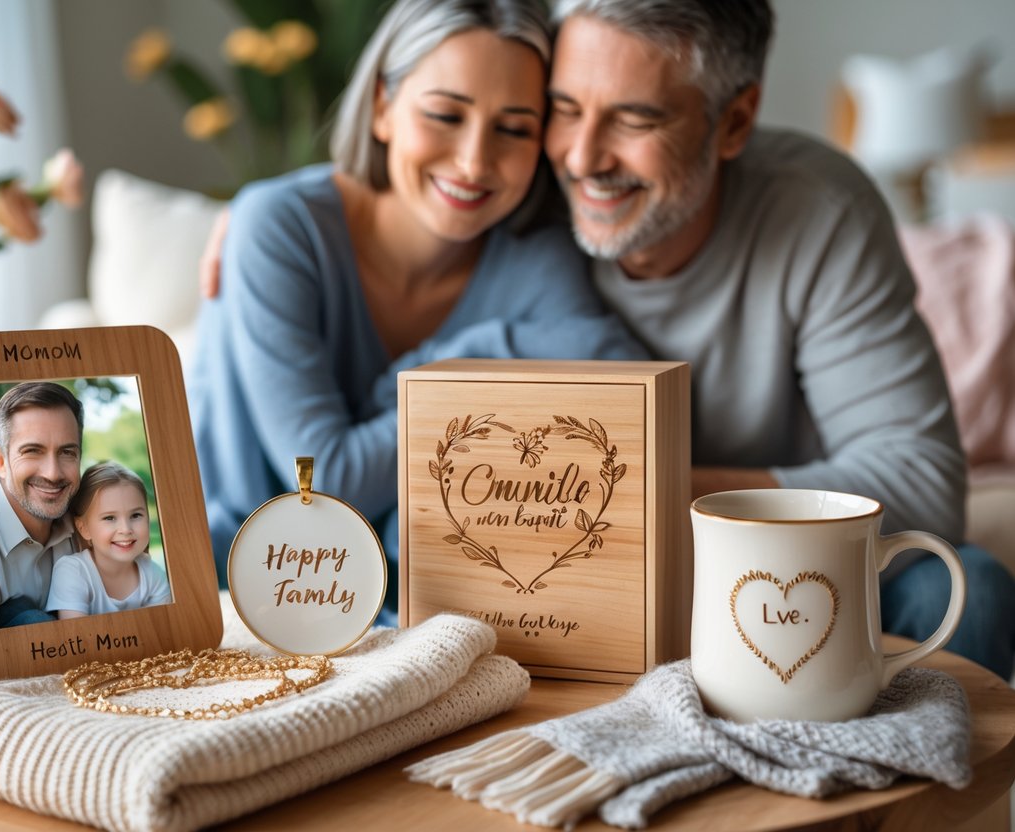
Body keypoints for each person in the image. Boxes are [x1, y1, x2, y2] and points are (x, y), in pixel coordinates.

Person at [538, 0, 1013, 677]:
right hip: (575, 574)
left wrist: (644, 497)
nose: (580, 156)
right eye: (563, 107)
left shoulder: (818, 211)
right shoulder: (514, 193)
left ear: (733, 120)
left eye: (634, 117)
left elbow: (923, 483)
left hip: (786, 568)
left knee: (967, 591)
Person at [187, 0, 646, 611]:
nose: (474, 161)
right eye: (444, 115)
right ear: (382, 107)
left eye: (514, 128)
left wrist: (460, 368)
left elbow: (626, 378)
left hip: (429, 592)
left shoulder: (537, 255)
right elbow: (327, 485)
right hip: (244, 577)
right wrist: (476, 368)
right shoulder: (279, 227)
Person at [0, 382, 83, 629]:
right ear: (1, 461)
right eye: (32, 451)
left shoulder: (91, 517)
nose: (52, 474)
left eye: (67, 453)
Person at [46, 461, 172, 619]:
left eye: (135, 515)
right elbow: (76, 638)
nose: (125, 529)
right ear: (83, 528)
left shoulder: (154, 575)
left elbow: (164, 633)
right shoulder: (73, 571)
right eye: (110, 518)